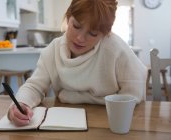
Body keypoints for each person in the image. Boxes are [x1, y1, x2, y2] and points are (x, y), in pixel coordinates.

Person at [8, 0, 147, 126]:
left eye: (92, 33)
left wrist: (72, 96)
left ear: (105, 34)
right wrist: (21, 103)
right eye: (76, 26)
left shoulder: (116, 49)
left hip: (109, 122)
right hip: (64, 121)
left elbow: (133, 94)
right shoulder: (53, 50)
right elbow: (34, 86)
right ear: (68, 18)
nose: (80, 38)